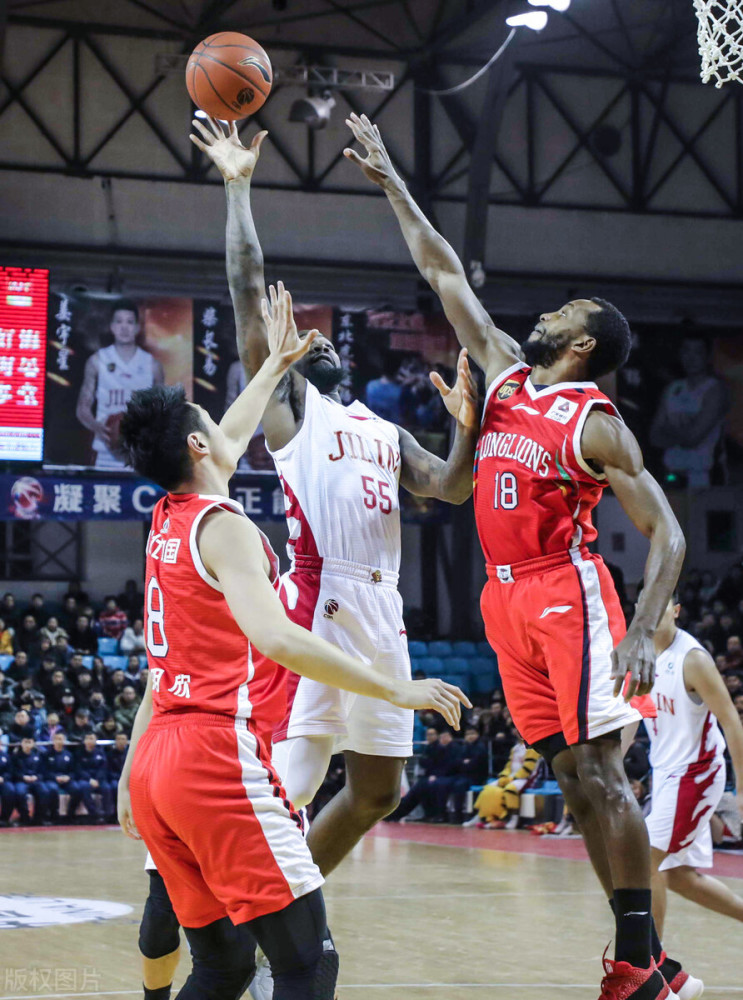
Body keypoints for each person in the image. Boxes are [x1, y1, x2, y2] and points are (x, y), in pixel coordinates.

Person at [344, 112, 691, 999]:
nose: (542, 313)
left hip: (563, 590)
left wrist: (645, 630)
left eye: (562, 315)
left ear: (581, 347)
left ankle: (636, 961)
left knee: (603, 771)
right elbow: (440, 270)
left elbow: (670, 534)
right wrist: (390, 180)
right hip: (502, 602)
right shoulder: (497, 376)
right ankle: (640, 956)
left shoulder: (594, 423)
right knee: (573, 779)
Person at [117, 282, 467, 1000]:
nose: (227, 424)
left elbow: (231, 430)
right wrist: (394, 686)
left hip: (158, 758)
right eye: (211, 421)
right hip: (213, 754)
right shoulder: (227, 528)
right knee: (308, 966)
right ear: (196, 443)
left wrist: (275, 364)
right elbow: (277, 637)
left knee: (223, 967)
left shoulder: (168, 517)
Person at [191, 117, 478, 884]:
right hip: (319, 598)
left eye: (322, 340)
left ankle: (287, 898)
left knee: (380, 789)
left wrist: (466, 429)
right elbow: (248, 294)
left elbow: (452, 489)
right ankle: (257, 919)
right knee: (296, 781)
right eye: (303, 341)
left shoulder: (382, 429)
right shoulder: (292, 414)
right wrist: (238, 187)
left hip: (383, 608)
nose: (316, 340)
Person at [645, 595, 743, 945]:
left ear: (676, 609)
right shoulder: (640, 656)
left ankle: (649, 967)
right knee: (678, 876)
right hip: (666, 774)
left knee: (647, 859)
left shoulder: (693, 659)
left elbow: (732, 722)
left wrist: (742, 789)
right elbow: (631, 721)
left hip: (696, 773)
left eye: (660, 603)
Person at [76, 299, 165, 469]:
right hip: (105, 451)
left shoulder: (152, 365)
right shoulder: (97, 360)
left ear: (137, 328)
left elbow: (163, 411)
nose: (124, 327)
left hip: (140, 453)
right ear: (112, 326)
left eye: (130, 322)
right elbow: (82, 408)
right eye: (119, 321)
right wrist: (96, 426)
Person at [650, 333, 728, 488]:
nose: (690, 358)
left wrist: (670, 432)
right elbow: (654, 437)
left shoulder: (714, 389)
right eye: (686, 351)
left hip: (703, 477)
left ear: (707, 356)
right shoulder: (673, 388)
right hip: (672, 475)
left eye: (697, 352)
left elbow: (693, 439)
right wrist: (684, 432)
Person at [468, 739, 541, 829]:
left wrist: (513, 778)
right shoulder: (515, 748)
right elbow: (508, 766)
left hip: (526, 779)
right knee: (488, 788)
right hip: (511, 777)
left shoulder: (532, 747)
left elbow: (529, 767)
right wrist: (504, 776)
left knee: (510, 790)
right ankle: (480, 816)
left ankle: (514, 818)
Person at [71, 731, 111, 823]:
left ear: (96, 740)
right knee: (84, 787)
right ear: (84, 741)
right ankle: (94, 814)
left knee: (107, 788)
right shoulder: (79, 753)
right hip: (85, 779)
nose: (90, 741)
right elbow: (79, 769)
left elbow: (103, 768)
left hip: (99, 779)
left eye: (92, 738)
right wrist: (89, 779)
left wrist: (97, 779)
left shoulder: (101, 753)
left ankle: (108, 815)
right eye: (87, 738)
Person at [12, 735, 50, 825]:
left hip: (36, 780)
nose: (27, 744)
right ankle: (24, 818)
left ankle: (39, 818)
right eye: (25, 742)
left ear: (33, 743)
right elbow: (13, 771)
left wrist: (37, 777)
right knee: (19, 792)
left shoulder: (39, 755)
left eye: (29, 742)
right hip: (21, 780)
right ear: (21, 743)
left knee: (44, 791)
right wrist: (22, 777)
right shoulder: (15, 756)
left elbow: (43, 770)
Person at [45, 730, 75, 823]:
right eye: (57, 739)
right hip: (52, 779)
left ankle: (70, 814)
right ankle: (54, 814)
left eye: (61, 739)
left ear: (64, 741)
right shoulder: (46, 754)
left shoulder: (69, 755)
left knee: (77, 789)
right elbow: (44, 771)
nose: (59, 741)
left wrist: (69, 777)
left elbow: (73, 771)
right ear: (53, 740)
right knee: (53, 789)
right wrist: (55, 777)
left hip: (66, 780)